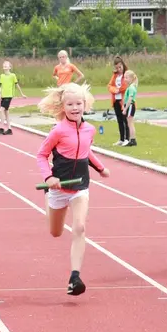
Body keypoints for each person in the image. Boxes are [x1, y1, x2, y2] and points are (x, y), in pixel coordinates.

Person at [36, 83, 110, 296]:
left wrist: (101, 168)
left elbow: (86, 151)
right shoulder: (58, 130)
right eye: (70, 104)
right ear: (63, 106)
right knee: (56, 232)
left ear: (85, 105)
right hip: (59, 188)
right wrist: (49, 177)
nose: (75, 107)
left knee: (79, 227)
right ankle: (47, 197)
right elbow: (41, 155)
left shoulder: (90, 129)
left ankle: (74, 277)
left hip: (80, 186)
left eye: (79, 103)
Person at [0, 61, 25, 136]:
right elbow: (2, 86)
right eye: (3, 64)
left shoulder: (12, 75)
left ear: (9, 67)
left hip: (9, 95)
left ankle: (1, 128)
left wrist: (22, 93)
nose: (4, 65)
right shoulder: (2, 76)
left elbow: (16, 85)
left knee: (1, 110)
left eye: (6, 65)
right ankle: (9, 129)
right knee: (6, 112)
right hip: (3, 96)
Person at [107, 56, 129, 146]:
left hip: (123, 100)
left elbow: (125, 86)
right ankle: (121, 139)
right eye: (117, 68)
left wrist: (118, 90)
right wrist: (114, 90)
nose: (119, 69)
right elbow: (109, 85)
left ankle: (127, 139)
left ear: (123, 65)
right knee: (119, 120)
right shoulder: (115, 75)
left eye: (120, 67)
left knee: (125, 120)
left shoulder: (126, 74)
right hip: (116, 100)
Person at [121, 70, 138, 147]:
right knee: (129, 123)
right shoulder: (131, 87)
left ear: (131, 78)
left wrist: (125, 109)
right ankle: (132, 139)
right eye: (124, 77)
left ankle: (132, 140)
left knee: (130, 124)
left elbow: (130, 99)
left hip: (130, 106)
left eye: (126, 78)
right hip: (129, 106)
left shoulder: (131, 88)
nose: (125, 79)